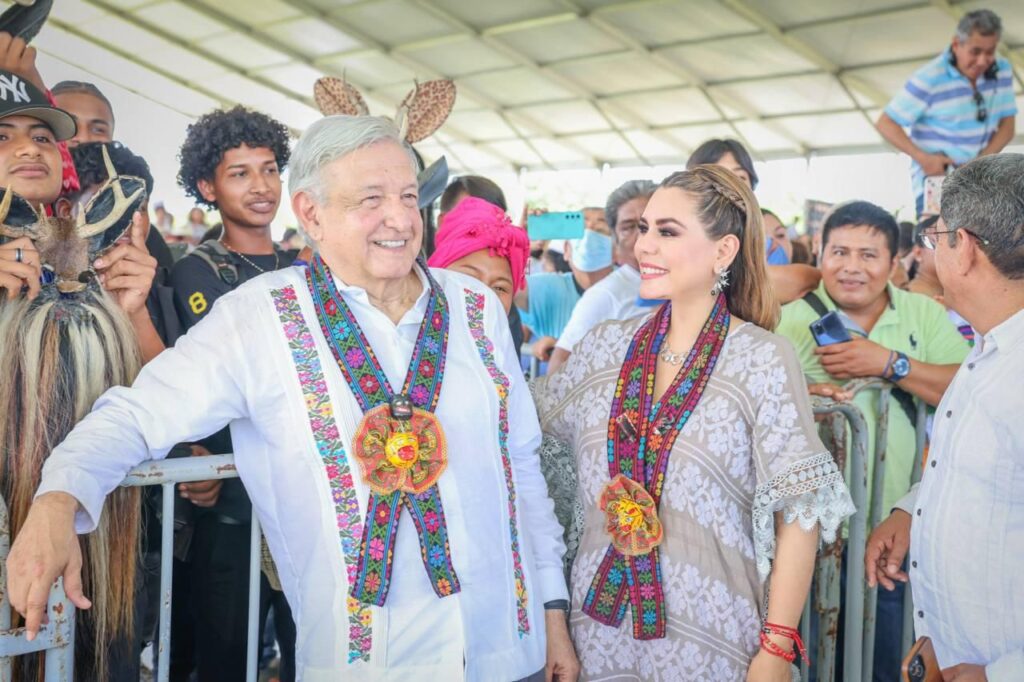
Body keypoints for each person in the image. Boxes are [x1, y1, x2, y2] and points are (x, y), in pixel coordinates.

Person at [7, 114, 578, 681]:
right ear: (311, 213)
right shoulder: (259, 318)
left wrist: (553, 612)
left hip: (509, 653)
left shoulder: (475, 308)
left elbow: (520, 467)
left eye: (407, 194)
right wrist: (58, 499)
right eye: (371, 198)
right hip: (365, 668)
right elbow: (134, 414)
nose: (400, 218)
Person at [536, 164, 854, 680]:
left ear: (723, 251)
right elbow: (525, 439)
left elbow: (800, 512)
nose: (645, 247)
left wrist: (775, 649)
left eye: (667, 232)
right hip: (597, 638)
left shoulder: (761, 359)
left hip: (714, 640)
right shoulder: (603, 349)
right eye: (643, 229)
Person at [775, 200, 970, 680]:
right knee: (812, 660)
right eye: (839, 252)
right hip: (809, 535)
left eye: (868, 254)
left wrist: (889, 364)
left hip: (896, 526)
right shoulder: (791, 319)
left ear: (894, 259)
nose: (852, 267)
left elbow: (968, 386)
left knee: (886, 656)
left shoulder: (922, 313)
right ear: (819, 253)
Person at [0, 86, 151, 680]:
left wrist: (134, 312)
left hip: (100, 546)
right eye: (3, 136)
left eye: (41, 136)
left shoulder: (98, 250)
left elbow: (162, 403)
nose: (28, 148)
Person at [865, 153, 1024, 681]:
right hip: (953, 650)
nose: (933, 254)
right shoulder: (990, 346)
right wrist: (914, 511)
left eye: (938, 238)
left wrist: (999, 672)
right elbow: (985, 472)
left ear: (968, 248)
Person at [168, 105, 296, 682]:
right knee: (228, 655)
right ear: (207, 186)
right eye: (239, 172)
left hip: (303, 499)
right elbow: (235, 376)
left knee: (308, 648)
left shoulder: (307, 265)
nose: (261, 186)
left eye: (268, 169)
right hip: (230, 504)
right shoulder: (199, 270)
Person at [875, 9, 1016, 215]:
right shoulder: (930, 77)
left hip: (978, 181)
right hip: (937, 180)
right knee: (938, 240)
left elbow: (1007, 126)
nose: (983, 61)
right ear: (956, 44)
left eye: (990, 51)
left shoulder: (1001, 70)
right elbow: (885, 123)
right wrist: (924, 159)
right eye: (975, 51)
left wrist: (982, 160)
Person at [687, 138, 821, 302]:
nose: (732, 185)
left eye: (740, 177)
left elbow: (805, 280)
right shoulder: (676, 240)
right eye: (720, 177)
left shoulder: (766, 246)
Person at [548, 180, 655, 374]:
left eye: (647, 224)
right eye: (628, 227)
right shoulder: (606, 294)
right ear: (615, 243)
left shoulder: (694, 281)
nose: (641, 236)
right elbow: (558, 369)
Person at [517, 208, 612, 363]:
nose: (588, 236)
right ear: (567, 250)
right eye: (580, 230)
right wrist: (514, 243)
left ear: (616, 248)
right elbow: (494, 286)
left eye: (600, 230)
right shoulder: (546, 288)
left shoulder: (634, 291)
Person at [427, 195, 529, 316]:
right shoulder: (404, 331)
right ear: (436, 276)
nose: (483, 296)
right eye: (469, 279)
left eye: (499, 288)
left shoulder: (506, 333)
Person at [907, 216, 974, 344]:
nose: (952, 247)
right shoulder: (908, 301)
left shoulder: (963, 299)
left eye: (955, 240)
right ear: (918, 253)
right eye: (936, 241)